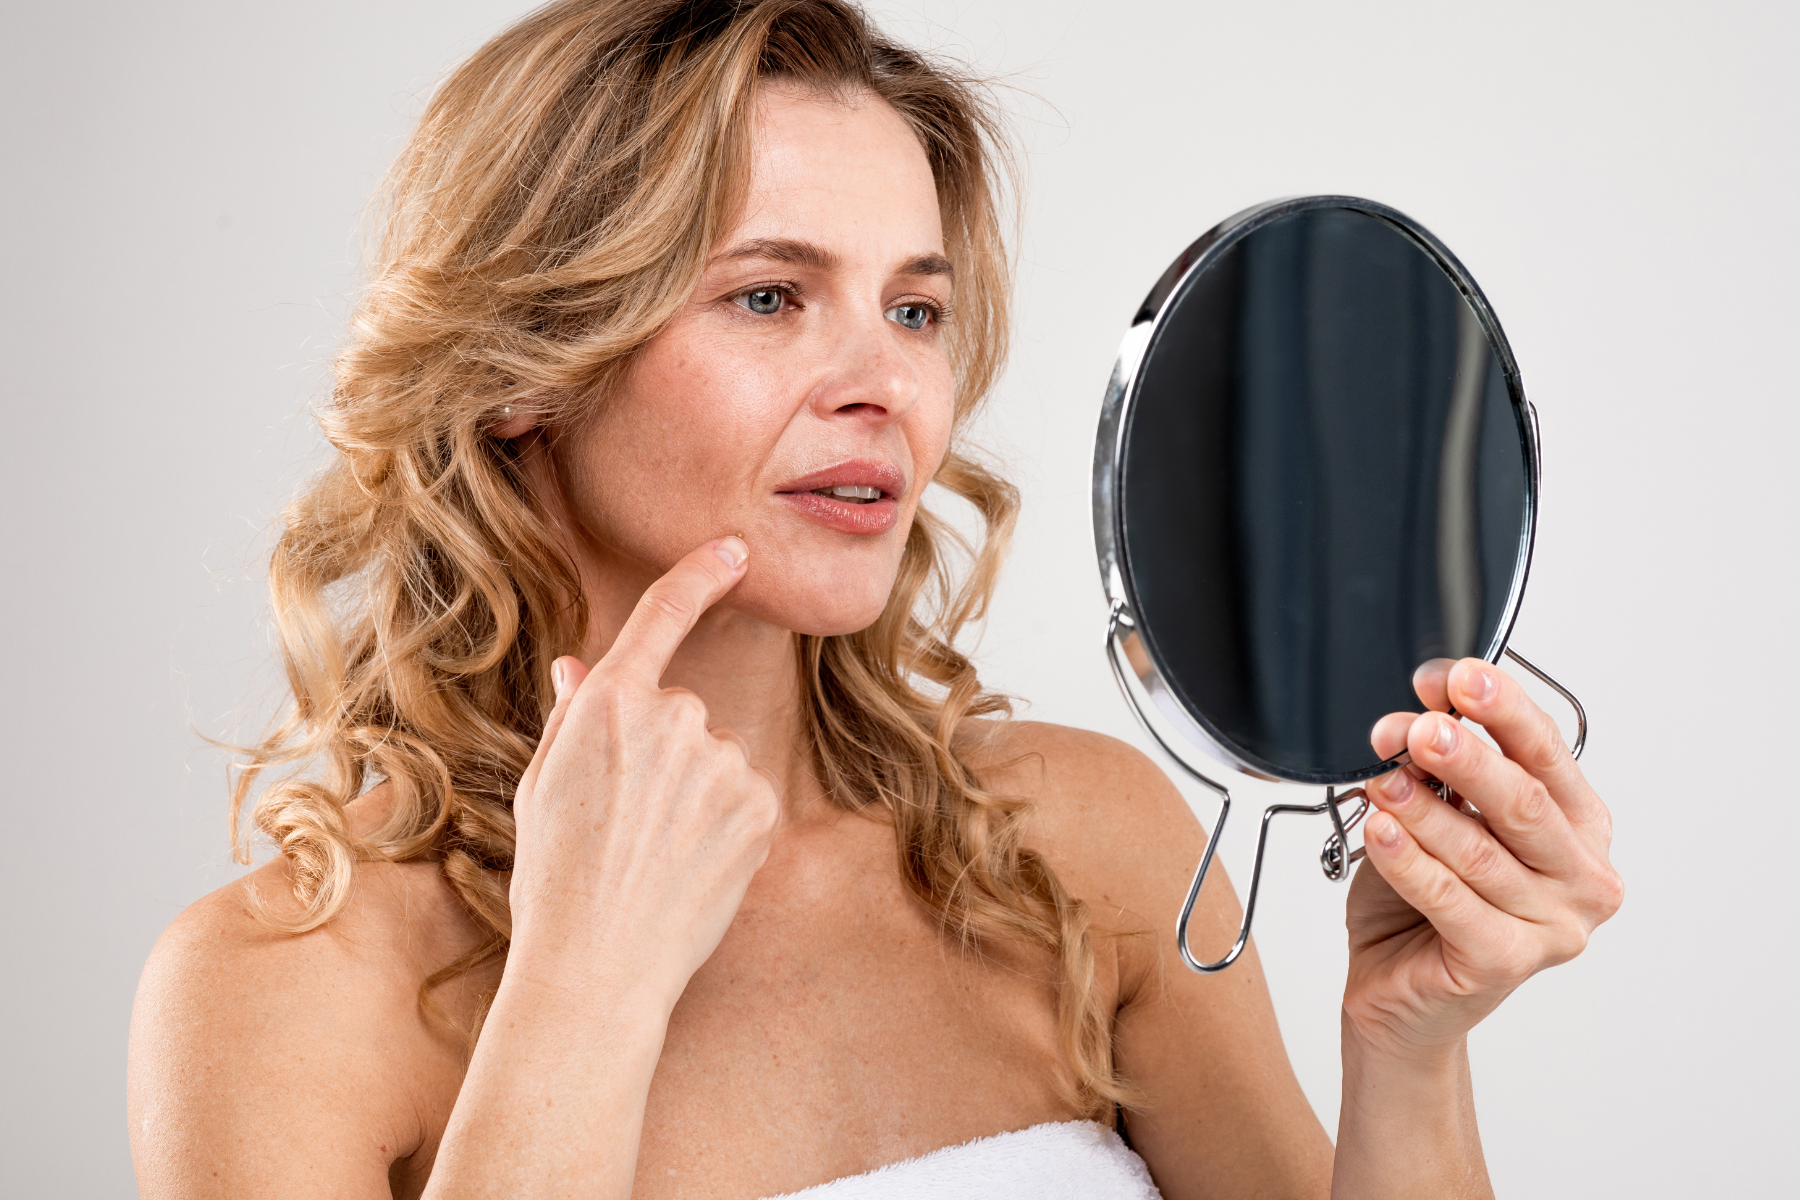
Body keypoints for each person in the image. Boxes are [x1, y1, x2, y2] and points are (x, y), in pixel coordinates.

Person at [125, 2, 1622, 1197]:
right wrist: (579, 991)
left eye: (915, 307)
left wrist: (1408, 1052)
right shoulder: (281, 998)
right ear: (527, 368)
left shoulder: (1070, 856)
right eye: (770, 295)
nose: (887, 386)